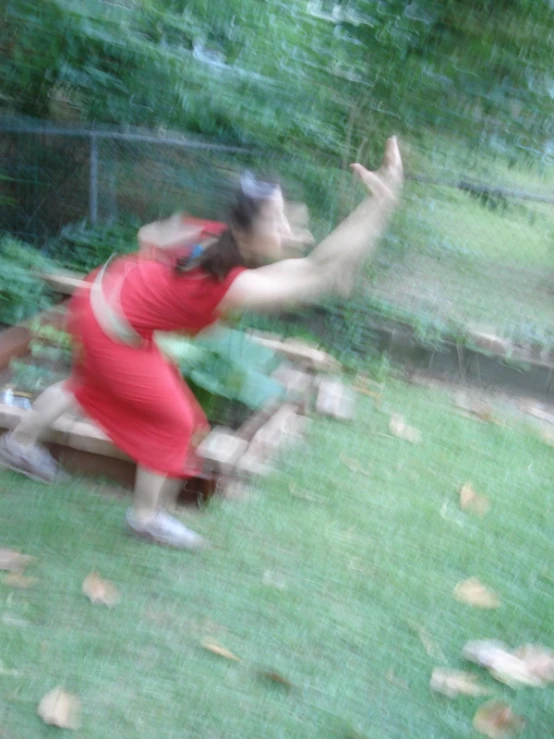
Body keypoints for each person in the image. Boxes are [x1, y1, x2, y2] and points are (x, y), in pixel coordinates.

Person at [0, 136, 403, 550]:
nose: (289, 229)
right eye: (277, 220)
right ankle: (146, 518)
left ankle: (19, 445)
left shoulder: (214, 236)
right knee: (178, 422)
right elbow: (320, 272)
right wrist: (381, 204)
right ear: (249, 229)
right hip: (112, 328)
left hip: (102, 294)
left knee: (84, 383)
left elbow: (149, 233)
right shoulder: (235, 285)